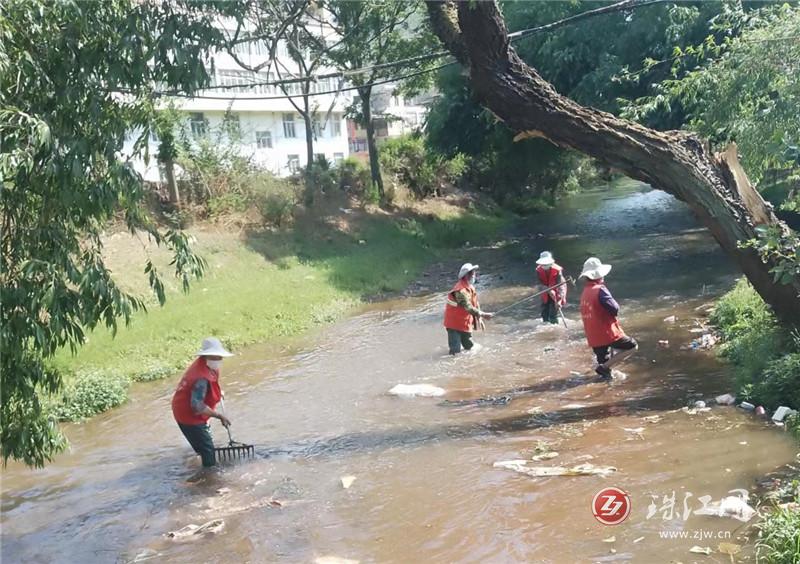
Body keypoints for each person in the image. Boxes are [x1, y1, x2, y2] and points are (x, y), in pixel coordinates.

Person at [172, 337, 234, 468]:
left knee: (203, 440)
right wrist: (219, 416)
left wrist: (217, 392)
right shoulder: (200, 376)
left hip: (188, 405)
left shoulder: (208, 365)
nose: (220, 360)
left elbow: (211, 384)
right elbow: (197, 406)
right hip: (187, 414)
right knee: (207, 449)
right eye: (216, 356)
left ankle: (199, 453)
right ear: (207, 356)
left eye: (220, 356)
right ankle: (208, 477)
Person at [578, 257, 638, 379]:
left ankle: (606, 381)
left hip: (593, 335)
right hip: (606, 333)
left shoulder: (585, 291)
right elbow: (615, 308)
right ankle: (604, 368)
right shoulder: (600, 290)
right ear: (600, 275)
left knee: (605, 372)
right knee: (632, 346)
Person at [443, 263, 494, 354]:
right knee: (455, 351)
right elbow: (468, 307)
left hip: (464, 322)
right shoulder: (460, 291)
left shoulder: (470, 287)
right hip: (453, 324)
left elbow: (475, 302)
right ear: (467, 275)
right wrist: (483, 314)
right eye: (473, 273)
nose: (475, 275)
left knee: (469, 346)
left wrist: (480, 318)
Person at [535, 251, 567, 324]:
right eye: (543, 264)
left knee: (553, 314)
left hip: (556, 292)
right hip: (545, 291)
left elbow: (561, 286)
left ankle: (554, 325)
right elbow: (538, 283)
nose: (544, 265)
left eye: (546, 264)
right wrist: (546, 288)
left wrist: (559, 300)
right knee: (544, 313)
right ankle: (545, 325)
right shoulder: (538, 270)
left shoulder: (557, 270)